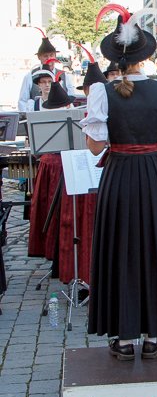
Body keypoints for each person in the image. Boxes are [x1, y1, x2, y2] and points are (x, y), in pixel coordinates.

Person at [81, 10, 157, 361]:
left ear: (114, 58)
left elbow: (95, 146)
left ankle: (123, 335)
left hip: (118, 177)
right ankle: (153, 334)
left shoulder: (101, 91)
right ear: (145, 55)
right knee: (155, 246)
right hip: (153, 175)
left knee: (120, 248)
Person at [58, 63, 107, 288]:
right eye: (88, 89)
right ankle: (83, 275)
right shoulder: (79, 114)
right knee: (81, 229)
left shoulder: (108, 110)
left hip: (102, 172)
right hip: (81, 171)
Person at [27, 81, 75, 264]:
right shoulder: (45, 119)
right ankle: (54, 250)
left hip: (63, 163)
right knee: (52, 209)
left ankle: (64, 250)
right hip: (54, 165)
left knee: (64, 210)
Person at [18, 34, 75, 111]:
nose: (49, 58)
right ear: (39, 57)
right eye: (45, 56)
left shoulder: (64, 75)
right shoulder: (30, 77)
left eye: (51, 55)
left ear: (55, 56)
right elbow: (23, 101)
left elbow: (71, 97)